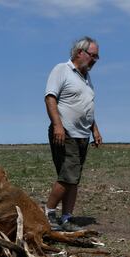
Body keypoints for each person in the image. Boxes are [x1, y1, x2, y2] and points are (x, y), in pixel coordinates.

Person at [44, 36, 103, 232]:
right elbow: (50, 97)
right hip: (65, 131)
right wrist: (58, 125)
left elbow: (87, 107)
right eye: (93, 55)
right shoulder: (62, 70)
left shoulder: (86, 78)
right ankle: (49, 213)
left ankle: (67, 218)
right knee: (68, 175)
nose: (95, 60)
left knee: (74, 177)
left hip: (82, 134)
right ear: (80, 53)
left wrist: (95, 129)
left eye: (97, 57)